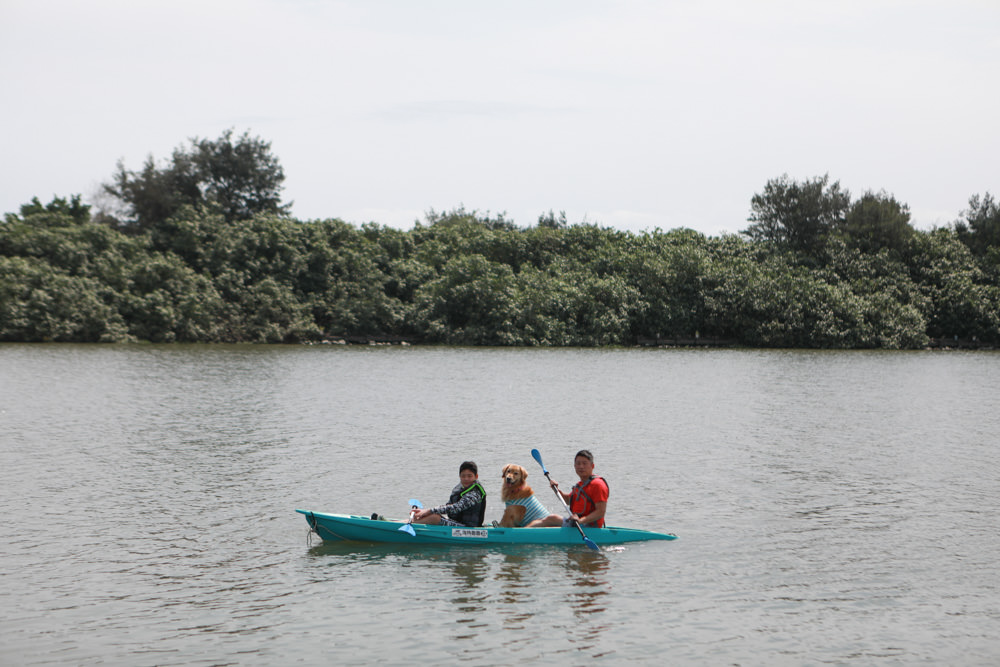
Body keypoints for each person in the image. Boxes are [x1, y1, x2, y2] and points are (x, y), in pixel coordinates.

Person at [527, 449, 608, 528]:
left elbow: (600, 512)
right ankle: (524, 530)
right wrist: (556, 490)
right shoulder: (580, 485)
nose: (581, 466)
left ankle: (522, 533)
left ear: (592, 466)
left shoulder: (598, 484)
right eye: (578, 463)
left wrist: (580, 521)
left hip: (590, 527)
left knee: (552, 519)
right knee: (547, 521)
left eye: (584, 463)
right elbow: (568, 500)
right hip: (577, 524)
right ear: (574, 466)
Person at [412, 461, 487, 527]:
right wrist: (427, 513)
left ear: (476, 476)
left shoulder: (474, 494)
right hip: (459, 523)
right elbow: (448, 506)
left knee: (434, 517)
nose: (466, 479)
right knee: (432, 515)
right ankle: (412, 521)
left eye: (469, 476)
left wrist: (429, 511)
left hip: (468, 528)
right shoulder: (461, 488)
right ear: (459, 476)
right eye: (463, 476)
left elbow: (456, 508)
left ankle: (411, 524)